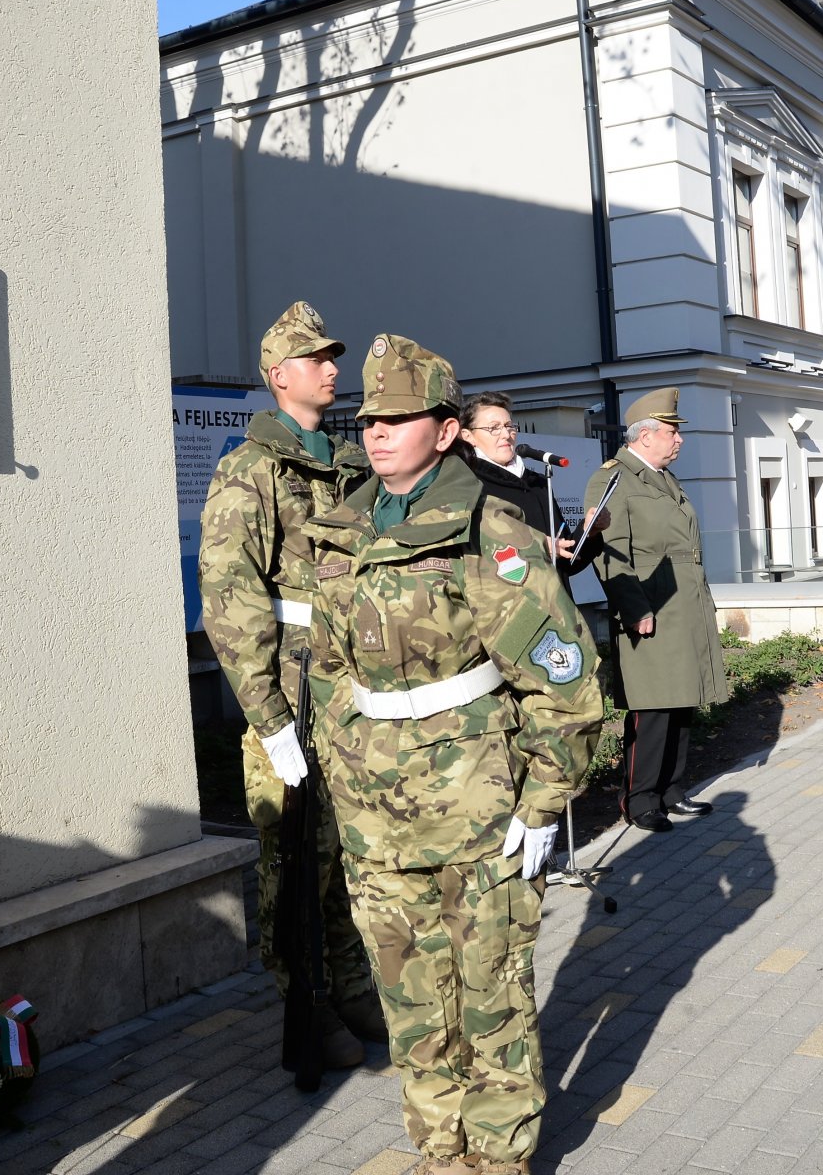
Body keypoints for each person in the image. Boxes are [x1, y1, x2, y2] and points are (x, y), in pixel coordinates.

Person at [305, 334, 600, 1175]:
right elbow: (327, 670)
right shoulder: (344, 524)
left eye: (399, 417)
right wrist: (338, 768)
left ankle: (500, 1159)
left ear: (444, 428)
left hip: (479, 816)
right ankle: (440, 1155)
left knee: (492, 1000)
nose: (377, 431)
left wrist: (544, 803)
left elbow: (564, 682)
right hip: (376, 823)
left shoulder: (489, 527)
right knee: (412, 1005)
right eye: (369, 417)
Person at [197, 300, 382, 1069]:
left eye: (332, 356)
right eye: (317, 359)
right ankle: (301, 998)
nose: (333, 368)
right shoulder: (252, 469)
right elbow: (229, 596)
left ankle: (348, 983)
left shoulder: (349, 466)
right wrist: (269, 718)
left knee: (343, 850)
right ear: (279, 376)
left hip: (350, 690)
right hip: (293, 694)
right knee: (292, 856)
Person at [585, 388, 727, 833]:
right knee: (652, 707)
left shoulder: (663, 477)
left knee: (680, 699)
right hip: (649, 601)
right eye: (671, 432)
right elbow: (609, 553)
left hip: (683, 601)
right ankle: (639, 798)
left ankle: (671, 789)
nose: (679, 440)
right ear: (644, 436)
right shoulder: (612, 479)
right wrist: (634, 608)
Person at [457, 391, 607, 571]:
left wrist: (588, 531)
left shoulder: (537, 483)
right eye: (493, 428)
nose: (506, 434)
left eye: (509, 426)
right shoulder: (467, 484)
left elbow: (567, 563)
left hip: (554, 596)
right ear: (468, 436)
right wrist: (540, 547)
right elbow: (475, 558)